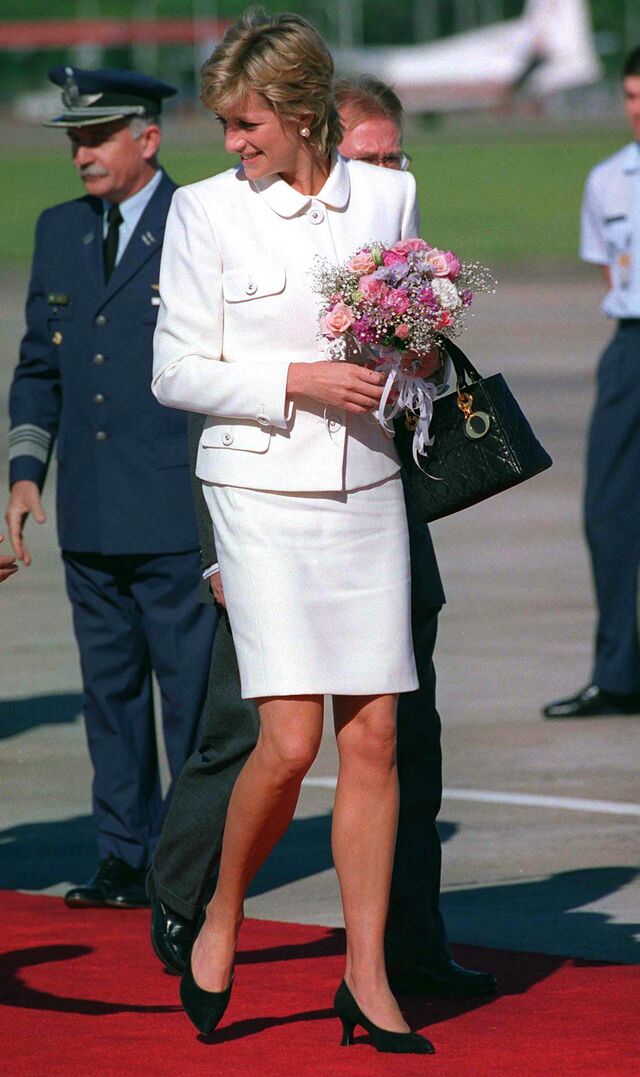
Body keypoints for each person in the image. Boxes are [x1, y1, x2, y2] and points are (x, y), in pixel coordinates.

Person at [153, 11, 489, 1052]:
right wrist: (294, 378)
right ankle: (220, 913)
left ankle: (366, 975)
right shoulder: (205, 213)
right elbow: (175, 372)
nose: (232, 142)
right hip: (256, 492)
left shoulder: (387, 194)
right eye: (225, 124)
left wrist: (423, 358)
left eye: (246, 122)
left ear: (300, 115)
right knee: (291, 740)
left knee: (377, 734)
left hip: (367, 490)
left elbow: (414, 352)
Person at [5, 66, 218, 908]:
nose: (80, 153)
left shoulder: (198, 222)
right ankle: (124, 854)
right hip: (90, 510)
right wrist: (26, 473)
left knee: (191, 698)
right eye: (73, 139)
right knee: (111, 696)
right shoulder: (60, 230)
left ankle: (192, 863)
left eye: (96, 137)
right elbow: (38, 367)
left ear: (148, 137)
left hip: (172, 507)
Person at [544, 47, 640, 720]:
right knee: (608, 511)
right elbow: (614, 273)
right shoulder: (608, 180)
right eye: (632, 96)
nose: (638, 110)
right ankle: (618, 673)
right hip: (630, 348)